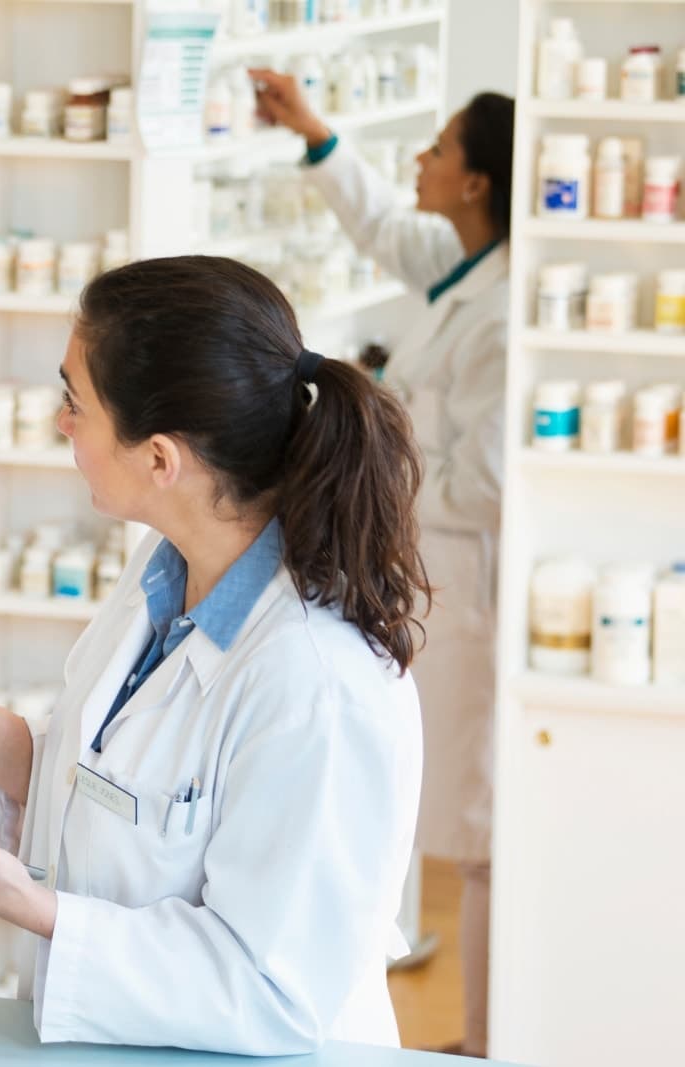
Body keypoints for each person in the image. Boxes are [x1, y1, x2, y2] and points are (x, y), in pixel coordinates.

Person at [0, 255, 429, 1055]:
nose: (61, 422)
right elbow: (121, 804)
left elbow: (274, 992)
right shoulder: (164, 574)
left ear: (160, 459)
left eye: (76, 401)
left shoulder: (317, 681)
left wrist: (35, 909)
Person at [250, 71, 514, 1058]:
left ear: (478, 181)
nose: (420, 159)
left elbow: (480, 482)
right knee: (456, 814)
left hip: (467, 582)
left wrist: (376, 466)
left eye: (438, 148)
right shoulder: (465, 264)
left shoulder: (499, 309)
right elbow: (384, 230)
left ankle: (482, 1041)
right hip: (429, 572)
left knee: (480, 828)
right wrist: (315, 135)